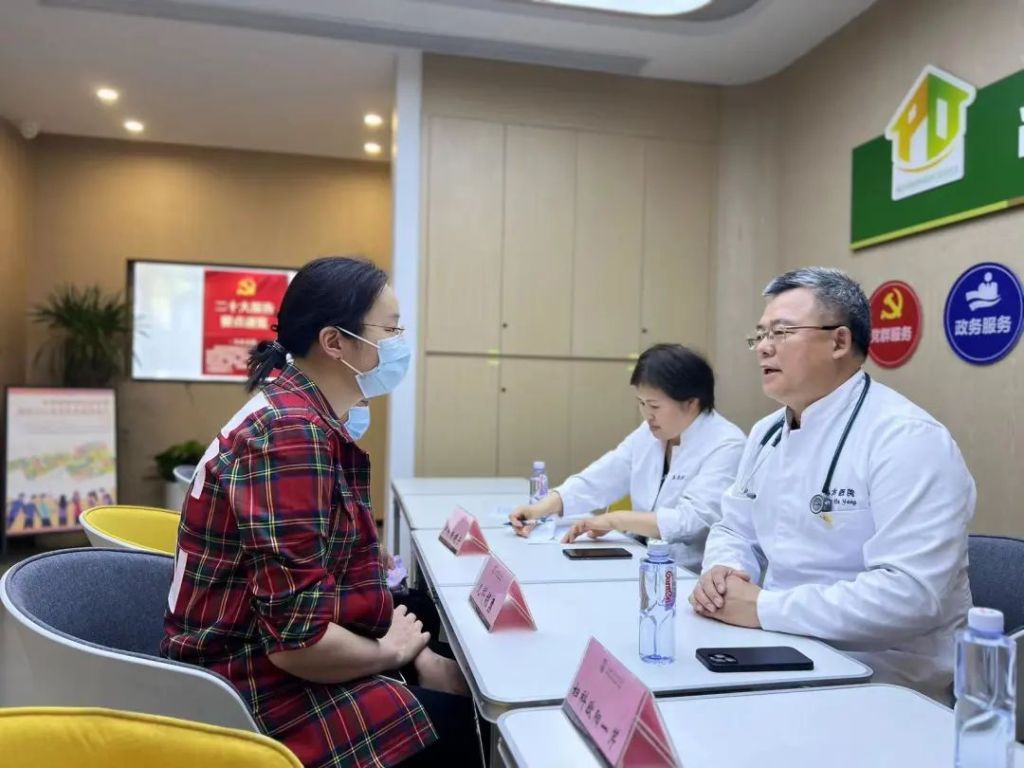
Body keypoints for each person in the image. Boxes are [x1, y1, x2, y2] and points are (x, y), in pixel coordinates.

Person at [163, 257, 481, 768]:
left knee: (420, 614)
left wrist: (414, 652)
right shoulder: (290, 434)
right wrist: (394, 653)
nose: (399, 344)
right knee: (463, 728)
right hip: (246, 681)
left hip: (263, 642)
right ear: (335, 342)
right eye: (390, 330)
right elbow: (298, 642)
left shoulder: (298, 410)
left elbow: (327, 572)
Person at [689, 267, 974, 701]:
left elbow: (910, 595)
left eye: (781, 332)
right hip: (781, 644)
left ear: (839, 341)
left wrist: (763, 607)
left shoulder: (907, 439)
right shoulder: (767, 432)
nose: (763, 347)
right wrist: (723, 572)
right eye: (761, 334)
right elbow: (734, 527)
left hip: (884, 674)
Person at [509, 344, 745, 572]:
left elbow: (690, 522)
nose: (647, 415)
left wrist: (615, 520)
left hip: (686, 573)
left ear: (691, 402)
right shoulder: (650, 433)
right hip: (639, 557)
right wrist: (541, 508)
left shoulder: (726, 444)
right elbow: (602, 477)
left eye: (654, 406)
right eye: (641, 403)